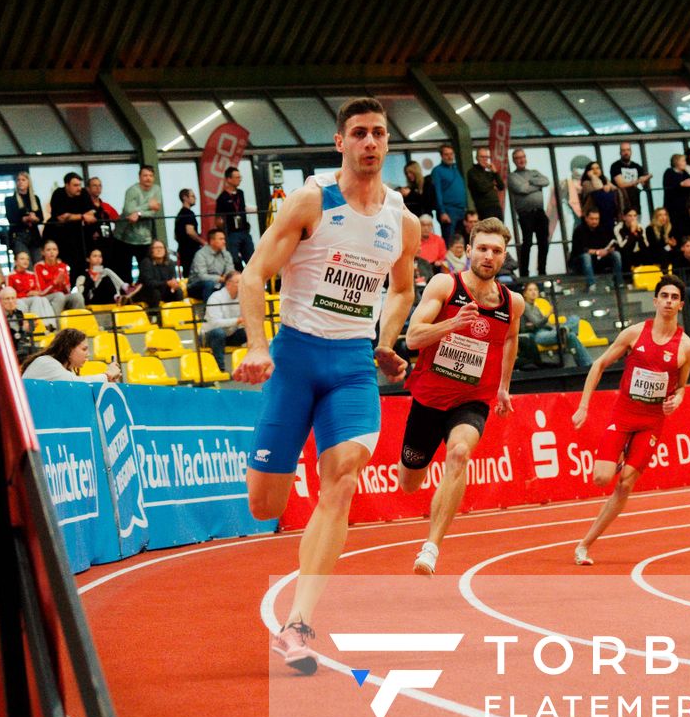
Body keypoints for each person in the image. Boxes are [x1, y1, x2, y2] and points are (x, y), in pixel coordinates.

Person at [235, 98, 419, 674]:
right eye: (359, 133)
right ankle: (281, 482)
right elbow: (254, 274)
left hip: (351, 366)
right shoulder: (312, 201)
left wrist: (388, 339)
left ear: (388, 144)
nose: (370, 142)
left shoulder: (403, 222)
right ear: (340, 142)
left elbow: (402, 289)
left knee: (340, 480)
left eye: (379, 134)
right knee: (267, 502)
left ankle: (298, 624)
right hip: (295, 356)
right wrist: (258, 345)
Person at [395, 220, 521, 575]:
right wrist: (451, 324)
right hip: (430, 398)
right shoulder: (445, 285)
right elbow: (414, 338)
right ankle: (423, 475)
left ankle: (431, 548)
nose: (488, 256)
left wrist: (503, 386)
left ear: (504, 256)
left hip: (472, 400)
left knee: (460, 452)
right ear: (468, 251)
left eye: (496, 251)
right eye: (482, 248)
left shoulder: (513, 303)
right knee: (409, 483)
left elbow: (510, 340)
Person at [568, 277, 690, 566]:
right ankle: (616, 460)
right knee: (601, 477)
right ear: (654, 301)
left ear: (681, 304)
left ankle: (584, 545)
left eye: (674, 297)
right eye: (663, 295)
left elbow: (681, 387)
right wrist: (584, 406)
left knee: (625, 484)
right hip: (623, 415)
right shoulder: (635, 334)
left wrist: (678, 399)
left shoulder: (686, 348)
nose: (668, 301)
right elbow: (599, 365)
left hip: (651, 422)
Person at [516, 279, 591, 370]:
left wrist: (555, 327)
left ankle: (564, 330)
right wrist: (549, 314)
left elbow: (543, 323)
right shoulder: (524, 306)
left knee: (574, 318)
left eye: (535, 289)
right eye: (530, 290)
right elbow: (538, 323)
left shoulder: (535, 308)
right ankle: (587, 365)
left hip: (547, 331)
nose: (533, 292)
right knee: (570, 335)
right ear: (525, 293)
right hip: (539, 335)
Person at [507, 147, 551, 276]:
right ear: (514, 160)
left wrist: (530, 182)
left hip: (540, 212)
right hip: (525, 214)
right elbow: (521, 189)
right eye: (518, 158)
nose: (521, 160)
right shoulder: (512, 176)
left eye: (523, 157)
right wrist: (537, 185)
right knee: (528, 242)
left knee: (543, 242)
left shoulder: (534, 172)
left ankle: (542, 270)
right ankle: (524, 272)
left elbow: (546, 181)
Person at [22, 326, 121, 383]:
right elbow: (75, 384)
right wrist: (108, 375)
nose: (88, 354)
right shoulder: (46, 363)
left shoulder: (67, 370)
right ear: (69, 349)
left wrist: (109, 381)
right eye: (84, 349)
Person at [115, 165, 164, 278]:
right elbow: (128, 211)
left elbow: (154, 211)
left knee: (146, 270)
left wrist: (139, 213)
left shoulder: (156, 189)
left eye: (151, 176)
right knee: (124, 272)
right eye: (145, 175)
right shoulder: (132, 190)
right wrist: (148, 205)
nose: (148, 178)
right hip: (125, 237)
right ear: (139, 177)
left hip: (145, 239)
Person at [202, 275, 246, 374]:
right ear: (228, 283)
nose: (241, 284)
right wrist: (237, 321)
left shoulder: (243, 297)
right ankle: (220, 369)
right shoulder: (215, 297)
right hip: (209, 335)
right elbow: (214, 323)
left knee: (250, 331)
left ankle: (247, 366)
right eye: (238, 282)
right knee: (218, 333)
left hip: (230, 333)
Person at [570, 207, 623, 286]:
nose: (594, 221)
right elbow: (579, 249)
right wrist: (597, 252)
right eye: (592, 219)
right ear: (586, 219)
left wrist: (608, 250)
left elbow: (612, 243)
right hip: (581, 262)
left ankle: (619, 283)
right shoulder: (579, 230)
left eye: (597, 219)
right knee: (586, 257)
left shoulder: (603, 229)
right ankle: (591, 284)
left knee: (616, 254)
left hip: (600, 259)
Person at [214, 166, 255, 268]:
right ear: (228, 179)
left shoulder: (240, 193)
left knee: (251, 257)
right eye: (236, 177)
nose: (239, 179)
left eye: (240, 177)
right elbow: (218, 218)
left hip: (244, 231)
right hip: (232, 233)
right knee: (234, 259)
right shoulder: (222, 198)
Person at [427, 142, 467, 243]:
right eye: (446, 154)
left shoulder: (456, 169)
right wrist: (442, 212)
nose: (449, 157)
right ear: (441, 156)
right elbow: (437, 192)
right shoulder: (437, 171)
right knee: (450, 241)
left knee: (462, 241)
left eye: (451, 154)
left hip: (461, 210)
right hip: (448, 211)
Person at [135, 237, 188, 312]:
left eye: (161, 247)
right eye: (156, 248)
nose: (159, 250)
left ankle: (179, 314)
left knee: (178, 291)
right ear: (151, 251)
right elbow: (148, 283)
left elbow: (172, 279)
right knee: (155, 293)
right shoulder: (146, 262)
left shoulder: (170, 263)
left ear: (165, 250)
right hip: (147, 292)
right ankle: (154, 317)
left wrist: (174, 285)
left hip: (164, 291)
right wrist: (167, 283)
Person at [188, 227, 237, 303]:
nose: (224, 242)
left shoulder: (226, 254)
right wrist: (220, 279)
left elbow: (231, 272)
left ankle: (231, 310)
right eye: (221, 239)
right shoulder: (201, 254)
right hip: (196, 286)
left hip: (218, 283)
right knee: (209, 284)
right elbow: (202, 276)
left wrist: (227, 278)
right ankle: (209, 311)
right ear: (212, 241)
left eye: (224, 239)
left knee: (234, 283)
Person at [34, 238, 83, 313]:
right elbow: (41, 292)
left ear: (57, 252)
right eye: (48, 250)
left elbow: (68, 290)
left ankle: (79, 323)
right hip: (47, 297)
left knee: (77, 296)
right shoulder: (39, 267)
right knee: (59, 296)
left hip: (63, 296)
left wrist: (63, 283)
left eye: (54, 249)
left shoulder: (63, 266)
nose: (52, 252)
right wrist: (55, 282)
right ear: (43, 252)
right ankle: (56, 324)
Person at [5, 170, 44, 257]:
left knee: (38, 263)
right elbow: (11, 218)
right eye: (18, 180)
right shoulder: (10, 200)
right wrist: (24, 219)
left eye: (23, 180)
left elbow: (41, 218)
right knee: (25, 263)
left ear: (28, 182)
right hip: (19, 235)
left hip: (34, 236)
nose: (20, 182)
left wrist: (35, 218)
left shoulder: (35, 199)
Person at [609, 142, 651, 217]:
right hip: (621, 200)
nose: (626, 152)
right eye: (623, 150)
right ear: (620, 152)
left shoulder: (637, 166)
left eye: (628, 150)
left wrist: (646, 179)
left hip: (635, 200)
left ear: (631, 151)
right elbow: (621, 184)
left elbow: (643, 184)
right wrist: (637, 181)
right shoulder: (615, 166)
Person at [466, 147, 505, 221]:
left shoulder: (489, 173)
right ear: (477, 158)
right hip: (484, 207)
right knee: (489, 230)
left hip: (496, 206)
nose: (485, 159)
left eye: (486, 157)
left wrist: (495, 172)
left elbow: (501, 186)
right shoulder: (472, 172)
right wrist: (492, 185)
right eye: (482, 157)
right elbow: (482, 188)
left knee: (500, 230)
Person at [174, 188, 202, 272]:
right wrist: (203, 242)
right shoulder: (188, 213)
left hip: (183, 251)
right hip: (191, 251)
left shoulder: (179, 215)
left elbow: (175, 236)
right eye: (192, 196)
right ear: (185, 198)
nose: (195, 198)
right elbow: (190, 231)